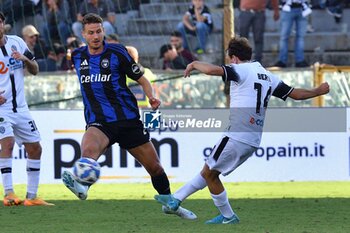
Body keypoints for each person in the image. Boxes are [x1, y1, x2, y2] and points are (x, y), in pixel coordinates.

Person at [154, 36, 330, 224]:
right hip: (253, 138)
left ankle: (228, 216)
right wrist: (317, 91)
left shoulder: (241, 70)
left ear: (234, 58)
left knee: (210, 173)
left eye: (230, 58)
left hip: (237, 133)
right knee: (209, 170)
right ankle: (176, 200)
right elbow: (295, 93)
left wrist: (195, 63)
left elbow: (214, 70)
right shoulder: (267, 75)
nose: (229, 62)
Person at [61, 13, 196, 220]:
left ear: (103, 31)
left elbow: (142, 79)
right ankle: (82, 184)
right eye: (91, 33)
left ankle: (171, 203)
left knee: (155, 168)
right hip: (99, 121)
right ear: (83, 34)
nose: (96, 36)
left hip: (127, 120)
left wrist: (151, 96)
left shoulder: (117, 52)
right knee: (88, 151)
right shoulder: (78, 56)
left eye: (99, 31)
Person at [0, 12, 54, 206]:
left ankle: (31, 197)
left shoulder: (17, 42)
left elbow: (35, 69)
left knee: (35, 149)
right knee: (7, 144)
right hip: (1, 110)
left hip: (21, 108)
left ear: (3, 24)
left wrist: (25, 59)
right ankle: (9, 193)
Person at [274, 0, 312, 68]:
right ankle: (282, 61)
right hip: (287, 8)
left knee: (300, 37)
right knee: (284, 37)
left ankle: (300, 60)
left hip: (302, 8)